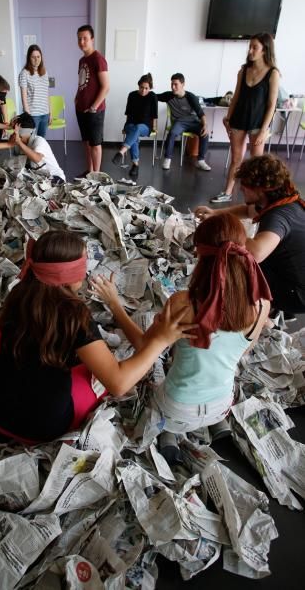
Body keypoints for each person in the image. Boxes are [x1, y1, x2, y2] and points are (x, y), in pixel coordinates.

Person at [0, 230, 194, 442]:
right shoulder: (75, 316)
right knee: (103, 373)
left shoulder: (20, 294)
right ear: (70, 275)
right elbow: (118, 385)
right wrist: (160, 341)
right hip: (42, 428)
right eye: (84, 261)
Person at [91, 212, 270, 435]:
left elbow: (143, 346)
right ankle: (212, 425)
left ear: (199, 253)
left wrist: (114, 304)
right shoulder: (262, 303)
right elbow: (244, 350)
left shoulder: (183, 303)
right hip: (222, 404)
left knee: (153, 366)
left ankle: (167, 435)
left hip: (176, 409)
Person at [196, 154, 305, 317]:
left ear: (261, 189)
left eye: (245, 185)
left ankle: (259, 313)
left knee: (235, 263)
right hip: (293, 275)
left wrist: (224, 231)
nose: (241, 188)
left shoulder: (278, 216)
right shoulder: (283, 200)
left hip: (297, 294)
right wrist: (215, 213)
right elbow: (248, 210)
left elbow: (256, 253)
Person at [211, 33, 280, 203]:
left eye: (254, 47)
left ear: (265, 50)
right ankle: (227, 192)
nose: (250, 50)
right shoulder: (243, 70)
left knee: (257, 163)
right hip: (239, 120)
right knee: (236, 159)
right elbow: (236, 97)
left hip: (258, 123)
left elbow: (272, 104)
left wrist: (264, 130)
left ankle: (258, 197)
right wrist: (227, 118)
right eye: (250, 46)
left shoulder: (273, 73)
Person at [75, 25, 110, 175]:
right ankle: (89, 172)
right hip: (81, 108)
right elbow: (83, 82)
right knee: (86, 143)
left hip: (94, 110)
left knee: (95, 144)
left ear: (92, 39)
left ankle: (96, 176)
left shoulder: (98, 59)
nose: (82, 42)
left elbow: (106, 86)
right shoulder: (82, 60)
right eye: (79, 39)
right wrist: (77, 98)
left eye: (85, 38)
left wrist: (94, 107)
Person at [158, 73, 211, 172]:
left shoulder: (191, 97)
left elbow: (201, 113)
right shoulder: (168, 95)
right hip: (179, 122)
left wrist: (205, 125)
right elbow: (154, 96)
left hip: (192, 121)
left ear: (183, 84)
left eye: (176, 84)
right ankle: (167, 159)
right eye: (172, 84)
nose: (173, 87)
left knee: (204, 133)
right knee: (173, 133)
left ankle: (201, 161)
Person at [112, 73, 158, 178]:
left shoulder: (152, 96)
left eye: (146, 88)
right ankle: (135, 165)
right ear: (138, 86)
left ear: (150, 88)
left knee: (137, 129)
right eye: (141, 87)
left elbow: (155, 115)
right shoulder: (132, 95)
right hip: (131, 124)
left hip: (145, 126)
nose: (143, 90)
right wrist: (125, 127)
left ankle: (121, 152)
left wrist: (155, 128)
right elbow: (128, 113)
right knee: (134, 133)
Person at [12, 113, 66, 185]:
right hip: (38, 178)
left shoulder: (39, 141)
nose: (14, 133)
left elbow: (37, 158)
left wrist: (19, 142)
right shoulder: (19, 144)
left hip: (55, 177)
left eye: (16, 130)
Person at [18, 44, 50, 138]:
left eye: (38, 56)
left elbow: (46, 94)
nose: (36, 59)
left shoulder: (44, 73)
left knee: (41, 142)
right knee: (31, 142)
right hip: (33, 115)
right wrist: (28, 115)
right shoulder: (24, 73)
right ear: (29, 58)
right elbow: (23, 97)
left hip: (45, 113)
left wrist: (50, 113)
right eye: (33, 57)